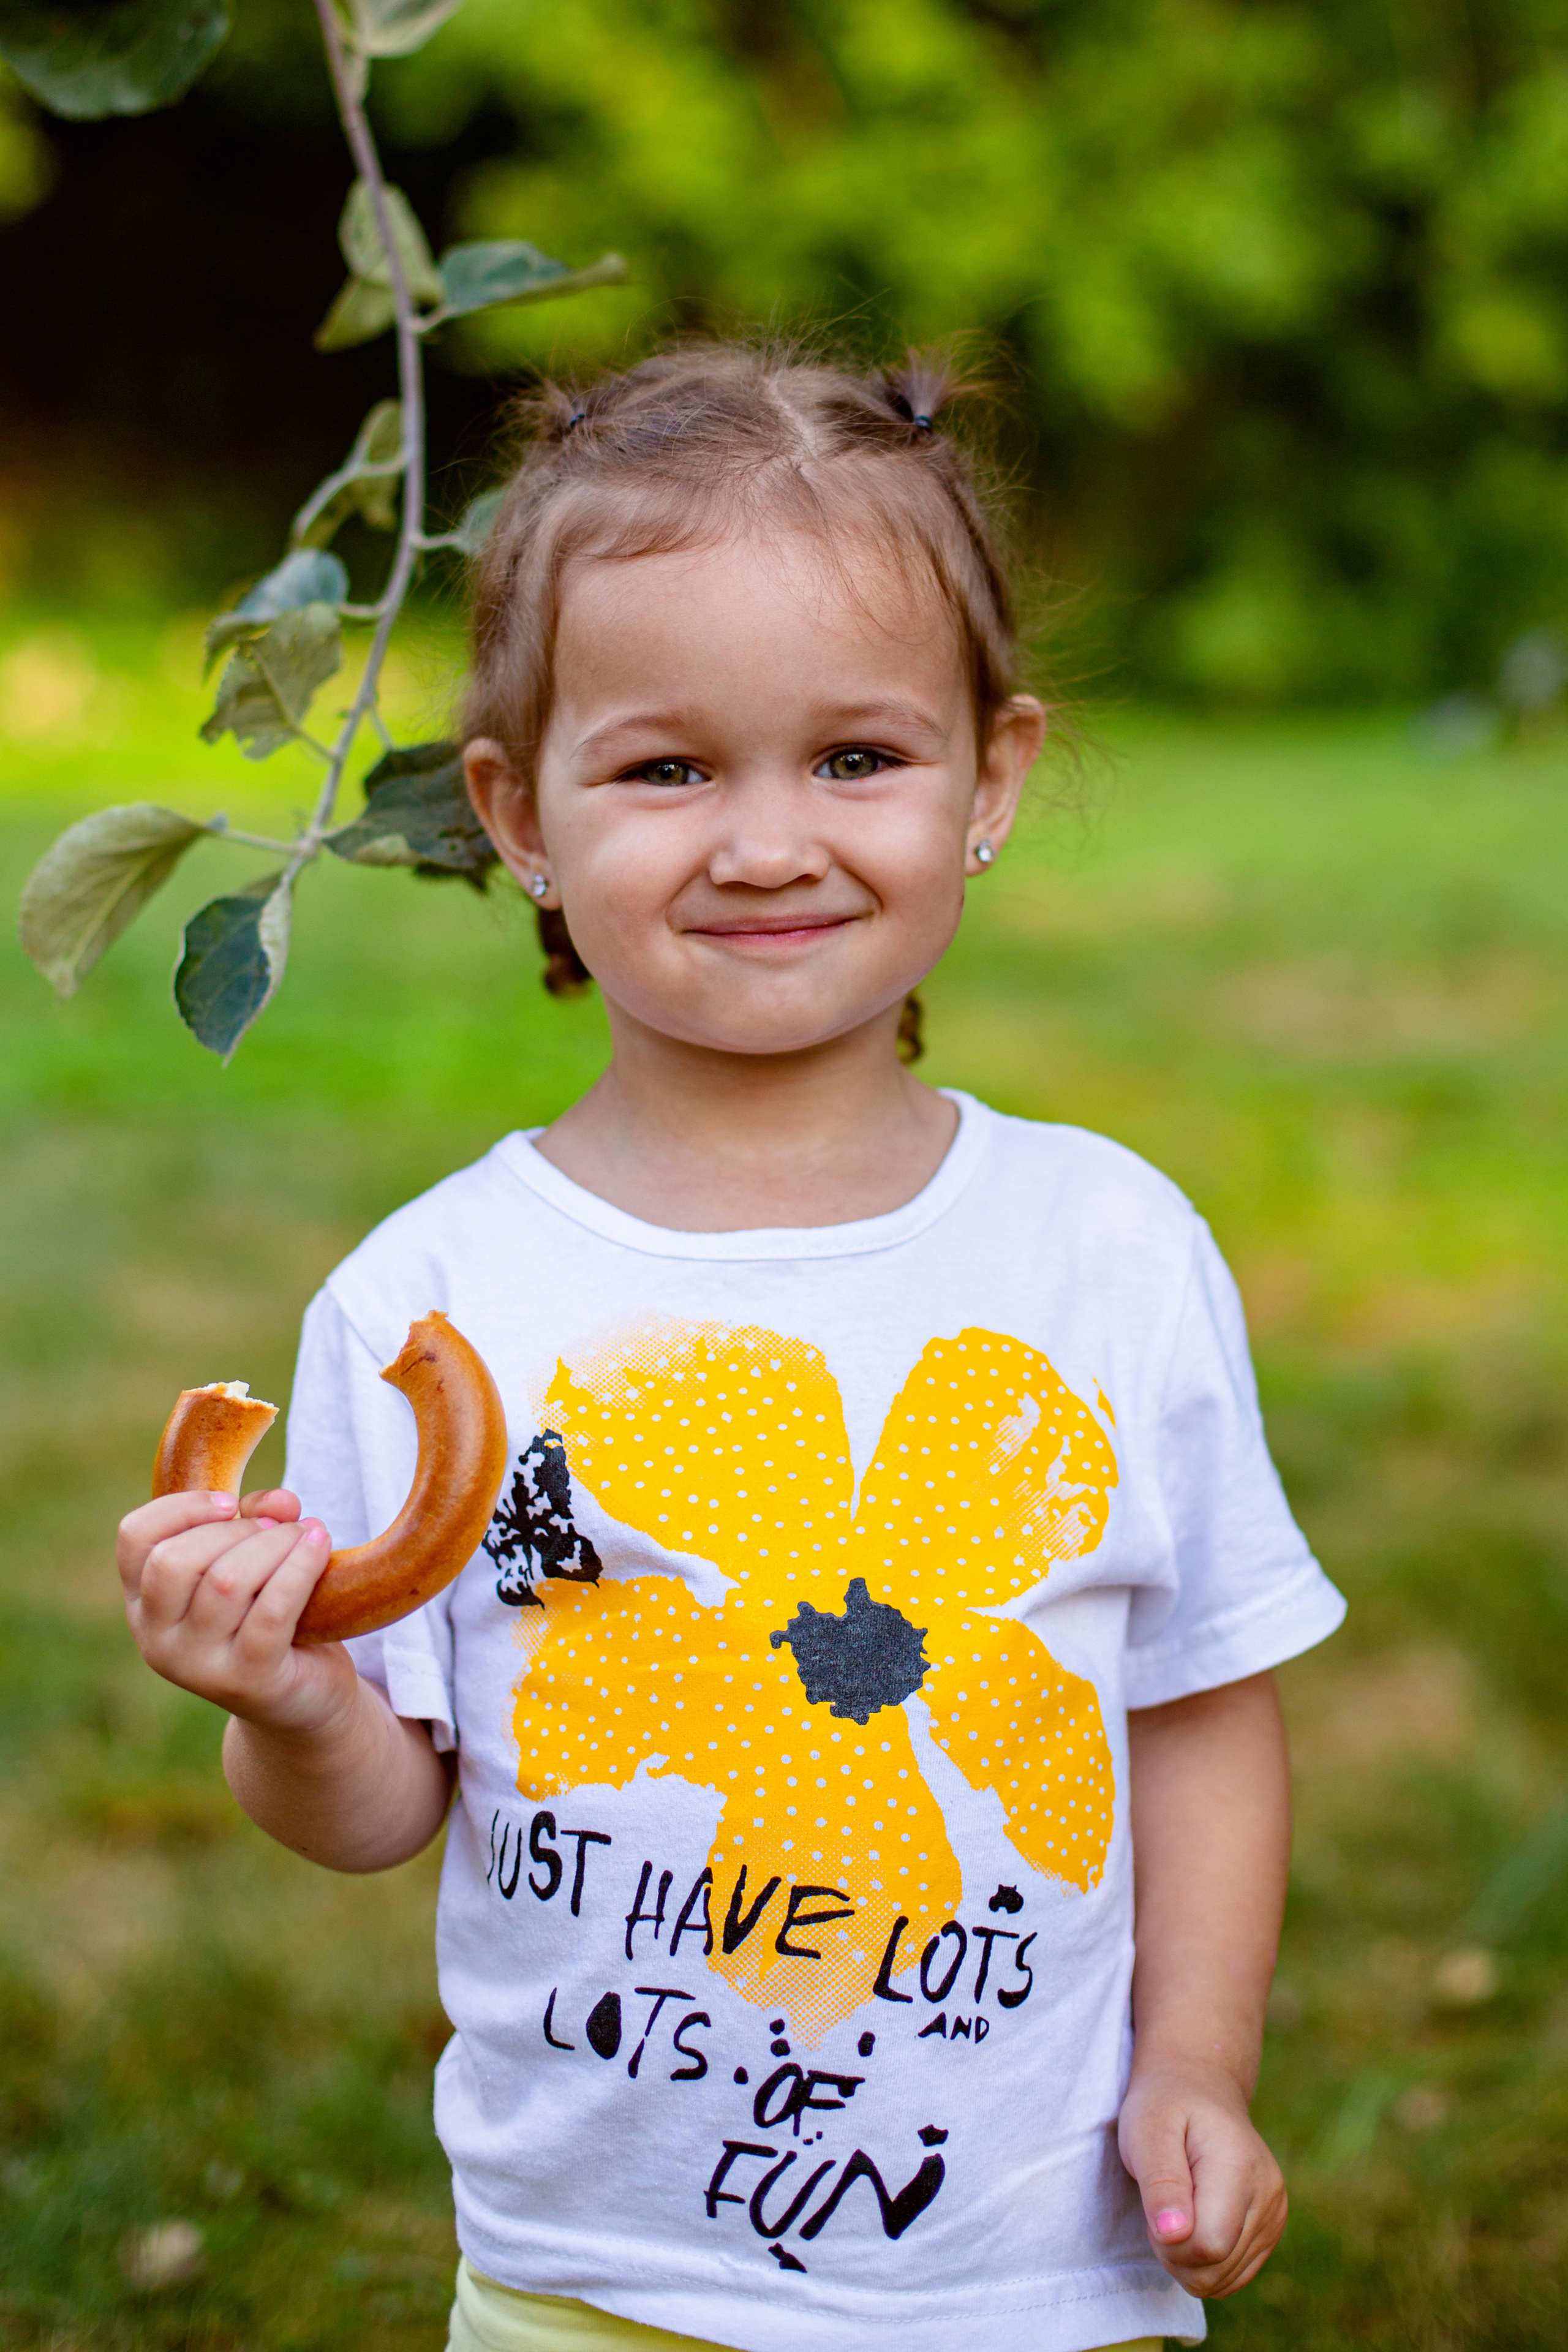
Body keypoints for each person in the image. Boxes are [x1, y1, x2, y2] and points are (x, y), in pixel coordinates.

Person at [116, 345, 1344, 2352]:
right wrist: (282, 1694)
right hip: (592, 2282)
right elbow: (371, 1812)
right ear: (519, 811)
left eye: (856, 759)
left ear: (994, 778)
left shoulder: (1107, 1246)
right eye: (668, 768)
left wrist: (1193, 2062)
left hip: (1033, 2280)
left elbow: (1200, 1699)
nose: (767, 844)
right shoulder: (432, 1305)